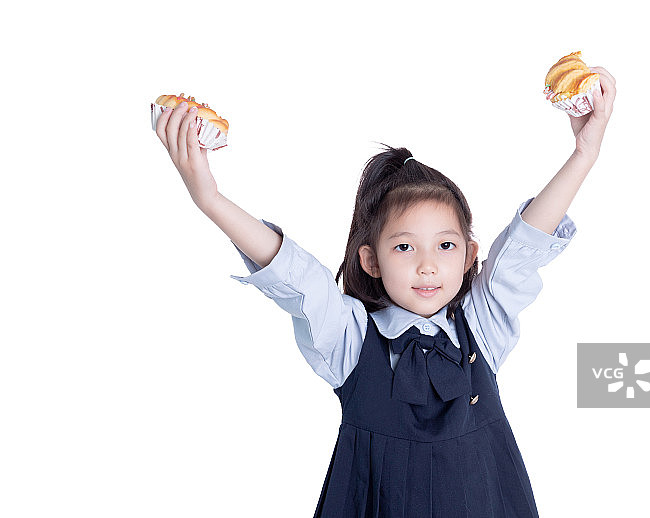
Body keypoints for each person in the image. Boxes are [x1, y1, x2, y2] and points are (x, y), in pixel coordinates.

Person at [154, 67, 616, 517]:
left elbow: (523, 245)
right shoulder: (350, 340)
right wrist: (209, 198)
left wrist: (584, 153)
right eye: (403, 246)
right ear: (371, 260)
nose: (427, 264)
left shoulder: (483, 328)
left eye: (446, 245)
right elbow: (299, 278)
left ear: (470, 255)